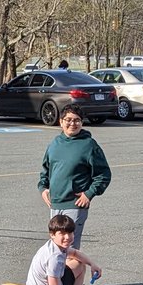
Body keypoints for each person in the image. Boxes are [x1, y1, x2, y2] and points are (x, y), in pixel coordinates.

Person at [37, 104, 111, 249]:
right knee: (56, 248)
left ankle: (71, 272)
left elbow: (103, 174)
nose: (72, 123)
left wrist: (89, 194)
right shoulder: (54, 144)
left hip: (74, 205)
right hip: (55, 203)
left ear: (81, 123)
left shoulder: (89, 145)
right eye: (68, 120)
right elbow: (45, 170)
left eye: (77, 120)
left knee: (69, 249)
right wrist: (43, 188)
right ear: (61, 122)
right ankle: (58, 272)